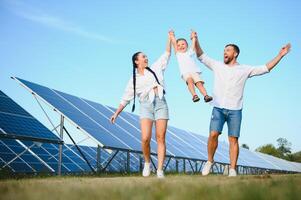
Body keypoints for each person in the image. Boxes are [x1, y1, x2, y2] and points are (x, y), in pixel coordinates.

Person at [193, 30, 291, 177]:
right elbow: (200, 55)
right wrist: (196, 39)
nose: (224, 52)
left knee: (233, 139)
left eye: (228, 50)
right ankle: (209, 161)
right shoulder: (217, 65)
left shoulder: (244, 69)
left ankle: (232, 169)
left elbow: (265, 68)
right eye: (224, 50)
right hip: (218, 107)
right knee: (213, 134)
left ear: (235, 53)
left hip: (235, 110)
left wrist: (280, 55)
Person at [110, 31, 173, 178]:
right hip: (145, 105)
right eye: (143, 56)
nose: (146, 57)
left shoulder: (156, 68)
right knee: (145, 138)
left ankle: (160, 170)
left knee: (160, 137)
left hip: (161, 103)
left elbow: (167, 53)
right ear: (137, 61)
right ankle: (147, 163)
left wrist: (169, 38)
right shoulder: (134, 79)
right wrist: (116, 113)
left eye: (146, 56)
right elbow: (125, 98)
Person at [170, 30, 213, 103]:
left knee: (199, 83)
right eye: (179, 45)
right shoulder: (178, 54)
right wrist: (172, 36)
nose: (181, 46)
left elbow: (193, 43)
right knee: (189, 81)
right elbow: (174, 43)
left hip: (194, 71)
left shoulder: (190, 52)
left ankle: (206, 96)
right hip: (185, 73)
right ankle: (194, 95)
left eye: (183, 44)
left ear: (187, 45)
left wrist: (193, 36)